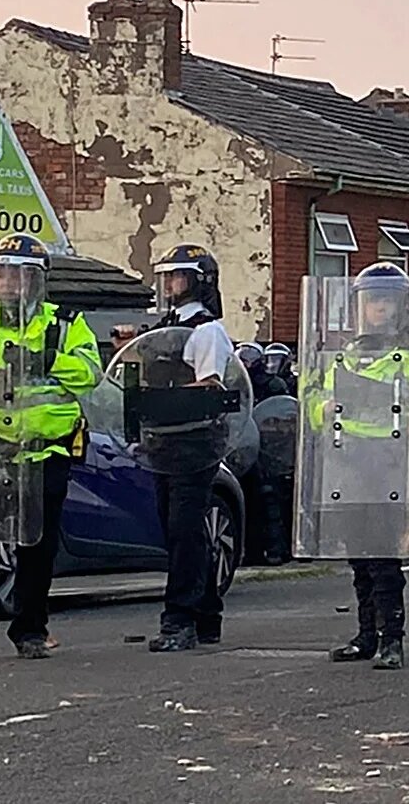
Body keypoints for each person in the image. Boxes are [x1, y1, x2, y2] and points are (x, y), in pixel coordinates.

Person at [0, 235, 102, 666]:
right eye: (0, 272)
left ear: (34, 279)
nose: (7, 282)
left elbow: (90, 374)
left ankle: (30, 630)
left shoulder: (63, 325)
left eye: (16, 273)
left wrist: (48, 359)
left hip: (43, 455)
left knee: (36, 553)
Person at [311, 263, 409, 671]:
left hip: (387, 462)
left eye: (385, 301)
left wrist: (382, 400)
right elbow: (314, 405)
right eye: (370, 300)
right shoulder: (343, 357)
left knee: (383, 555)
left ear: (400, 307)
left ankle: (392, 639)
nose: (376, 308)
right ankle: (366, 634)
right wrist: (323, 408)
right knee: (358, 556)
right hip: (346, 460)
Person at [146, 243, 237, 653]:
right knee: (178, 530)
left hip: (196, 441)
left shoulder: (206, 330)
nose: (169, 284)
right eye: (166, 276)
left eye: (177, 276)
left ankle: (179, 619)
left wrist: (168, 395)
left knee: (185, 531)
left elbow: (210, 385)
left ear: (199, 282)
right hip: (166, 440)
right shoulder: (165, 326)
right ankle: (206, 613)